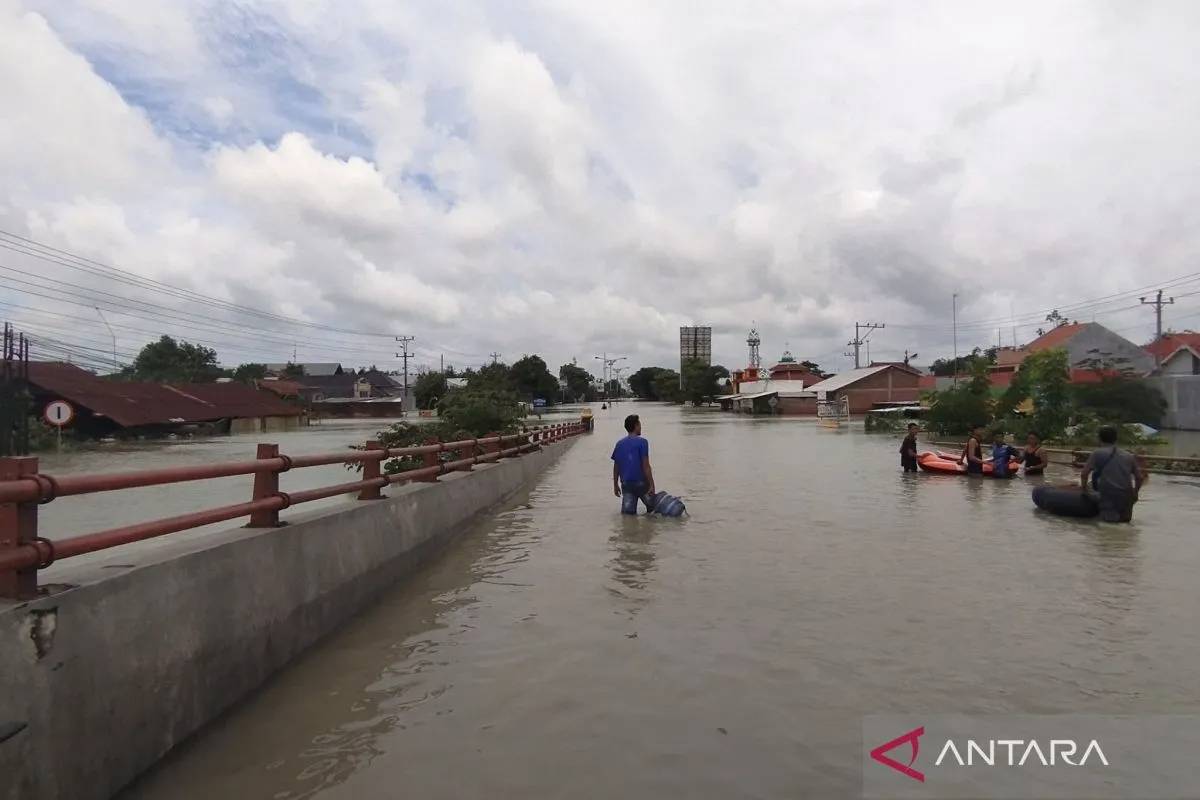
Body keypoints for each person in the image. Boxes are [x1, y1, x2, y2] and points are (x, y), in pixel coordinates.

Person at [1079, 425, 1145, 523]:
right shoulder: (1129, 456)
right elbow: (1139, 478)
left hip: (1108, 495)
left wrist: (1084, 490)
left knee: (1109, 525)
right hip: (1127, 495)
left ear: (1099, 438)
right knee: (1125, 523)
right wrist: (1135, 493)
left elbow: (1084, 474)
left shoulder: (1097, 453)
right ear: (1116, 439)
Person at [612, 414, 655, 515]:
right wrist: (652, 485)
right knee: (654, 511)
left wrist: (615, 485)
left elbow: (616, 466)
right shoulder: (643, 442)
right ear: (636, 426)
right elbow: (646, 466)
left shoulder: (619, 444)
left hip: (626, 484)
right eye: (639, 424)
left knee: (628, 516)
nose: (641, 427)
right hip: (641, 484)